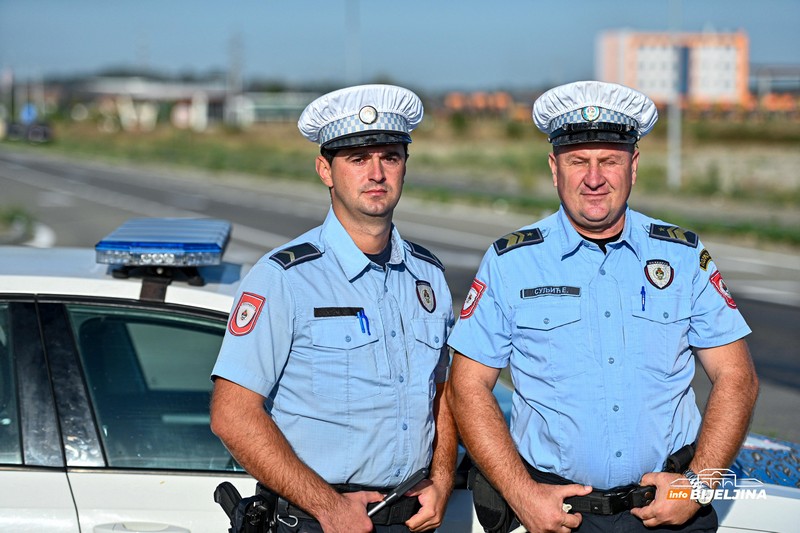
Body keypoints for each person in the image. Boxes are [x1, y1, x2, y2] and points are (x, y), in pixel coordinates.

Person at [447, 81, 758, 533]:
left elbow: (738, 377)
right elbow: (467, 387)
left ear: (633, 166)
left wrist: (699, 485)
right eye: (578, 162)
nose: (594, 178)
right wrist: (521, 494)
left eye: (609, 161)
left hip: (666, 516)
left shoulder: (682, 255)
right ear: (555, 168)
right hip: (555, 516)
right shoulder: (511, 262)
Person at [210, 84, 457, 533]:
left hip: (412, 520)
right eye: (358, 159)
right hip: (319, 521)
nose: (377, 173)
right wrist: (327, 506)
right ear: (325, 169)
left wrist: (442, 478)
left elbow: (441, 396)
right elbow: (232, 414)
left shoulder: (429, 277)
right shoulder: (285, 277)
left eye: (390, 157)